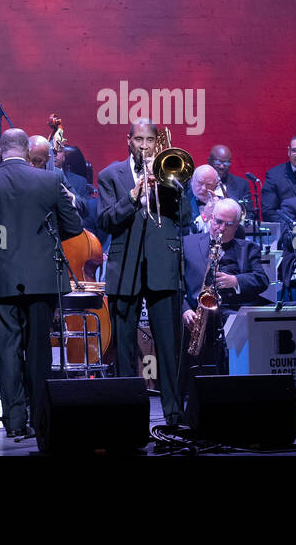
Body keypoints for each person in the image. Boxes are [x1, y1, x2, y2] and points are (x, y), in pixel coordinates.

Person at [0, 129, 84, 438]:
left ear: (1, 150)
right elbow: (73, 226)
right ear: (28, 152)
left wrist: (1, 241)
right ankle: (41, 421)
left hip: (2, 280)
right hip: (42, 280)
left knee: (7, 351)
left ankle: (14, 423)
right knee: (39, 352)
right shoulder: (49, 181)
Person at [98, 118, 192, 425]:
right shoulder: (111, 175)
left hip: (163, 267)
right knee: (124, 350)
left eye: (150, 140)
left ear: (158, 143)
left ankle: (174, 414)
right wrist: (133, 195)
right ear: (129, 141)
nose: (145, 146)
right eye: (139, 140)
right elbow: (106, 221)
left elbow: (186, 218)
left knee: (169, 347)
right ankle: (128, 417)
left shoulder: (172, 174)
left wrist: (168, 185)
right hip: (125, 269)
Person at [180, 199, 269, 374]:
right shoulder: (187, 244)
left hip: (233, 312)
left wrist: (236, 281)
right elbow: (177, 283)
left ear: (237, 225)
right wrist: (184, 310)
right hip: (196, 311)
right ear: (210, 218)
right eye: (218, 222)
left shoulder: (248, 248)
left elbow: (262, 279)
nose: (221, 229)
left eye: (229, 224)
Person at [260, 135, 296, 220]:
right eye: (294, 150)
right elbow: (268, 212)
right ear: (288, 151)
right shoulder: (274, 176)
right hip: (290, 230)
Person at [207, 144, 252, 213]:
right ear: (209, 161)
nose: (222, 167)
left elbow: (249, 214)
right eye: (218, 162)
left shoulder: (242, 185)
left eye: (226, 163)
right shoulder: (195, 182)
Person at [186, 164, 221, 234]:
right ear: (192, 181)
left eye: (209, 184)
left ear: (216, 184)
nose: (203, 188)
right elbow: (181, 233)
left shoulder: (222, 201)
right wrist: (204, 216)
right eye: (200, 183)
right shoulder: (182, 202)